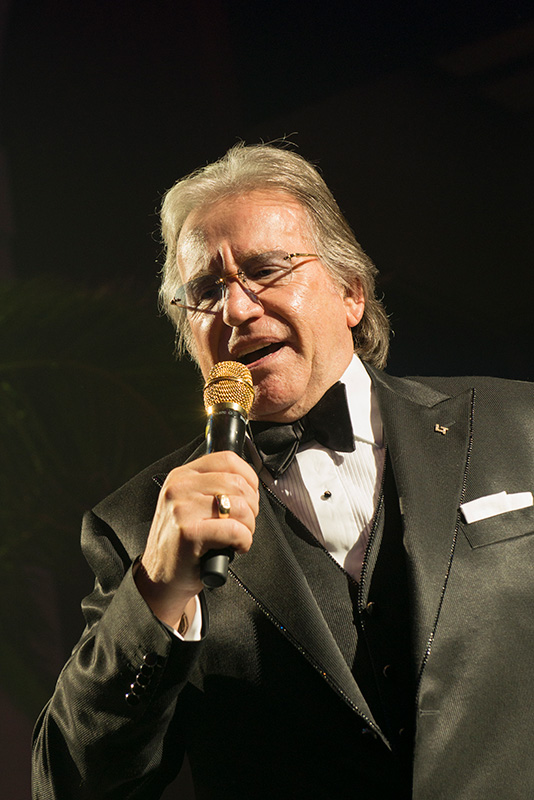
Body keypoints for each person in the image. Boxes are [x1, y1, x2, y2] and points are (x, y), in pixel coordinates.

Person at [32, 143, 534, 800]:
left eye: (266, 270)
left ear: (351, 292)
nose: (237, 310)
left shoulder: (518, 424)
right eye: (205, 292)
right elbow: (69, 785)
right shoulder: (134, 525)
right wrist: (156, 591)